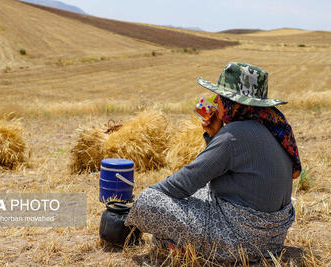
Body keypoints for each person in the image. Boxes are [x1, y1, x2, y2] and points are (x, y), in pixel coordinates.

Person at [124, 62, 302, 262]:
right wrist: (215, 135)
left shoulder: (234, 135)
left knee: (148, 201)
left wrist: (139, 205)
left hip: (243, 241)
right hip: (272, 239)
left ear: (233, 102)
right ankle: (175, 243)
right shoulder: (273, 126)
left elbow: (182, 184)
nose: (215, 100)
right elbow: (227, 170)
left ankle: (177, 244)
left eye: (221, 97)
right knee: (201, 193)